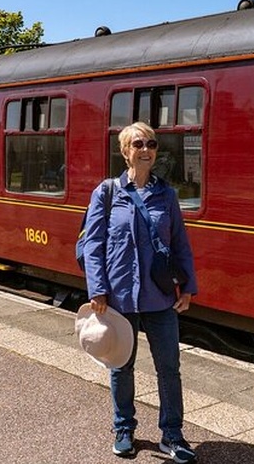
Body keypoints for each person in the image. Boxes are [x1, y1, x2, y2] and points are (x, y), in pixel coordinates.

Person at [82, 121, 199, 463]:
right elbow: (93, 245)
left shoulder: (167, 195)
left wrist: (188, 287)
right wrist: (98, 289)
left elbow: (180, 244)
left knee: (169, 369)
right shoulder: (106, 193)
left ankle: (172, 435)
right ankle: (124, 429)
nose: (146, 150)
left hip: (159, 297)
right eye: (138, 144)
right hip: (119, 296)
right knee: (121, 367)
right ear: (125, 151)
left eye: (151, 144)